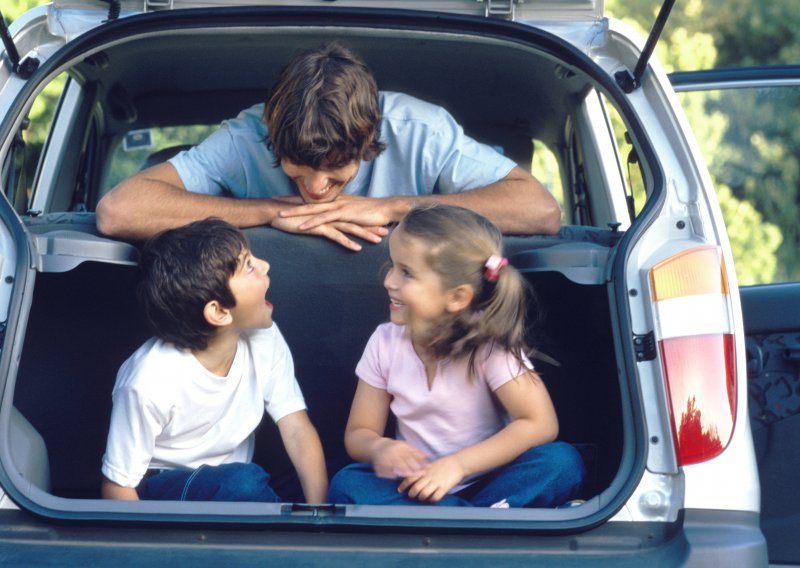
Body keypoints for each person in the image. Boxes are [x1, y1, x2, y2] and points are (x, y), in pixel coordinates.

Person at [95, 43, 561, 251]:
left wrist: (392, 208)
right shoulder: (247, 134)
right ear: (272, 134)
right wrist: (265, 212)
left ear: (370, 139)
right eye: (298, 174)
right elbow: (119, 212)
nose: (316, 191)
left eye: (337, 176)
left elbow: (540, 211)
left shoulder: (422, 129)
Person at [327, 204, 584, 507]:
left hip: (489, 479)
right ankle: (481, 523)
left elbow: (540, 423)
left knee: (562, 462)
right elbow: (359, 433)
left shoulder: (490, 349)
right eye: (392, 266)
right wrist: (380, 448)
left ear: (457, 297)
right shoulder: (385, 342)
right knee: (347, 483)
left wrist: (458, 465)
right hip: (415, 488)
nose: (389, 281)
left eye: (406, 273)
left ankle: (448, 523)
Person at [100, 218, 328, 503]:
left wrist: (318, 515)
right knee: (245, 484)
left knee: (342, 480)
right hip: (169, 488)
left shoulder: (264, 336)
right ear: (219, 312)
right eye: (248, 266)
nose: (265, 265)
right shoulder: (148, 380)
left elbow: (297, 429)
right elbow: (117, 485)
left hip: (238, 482)